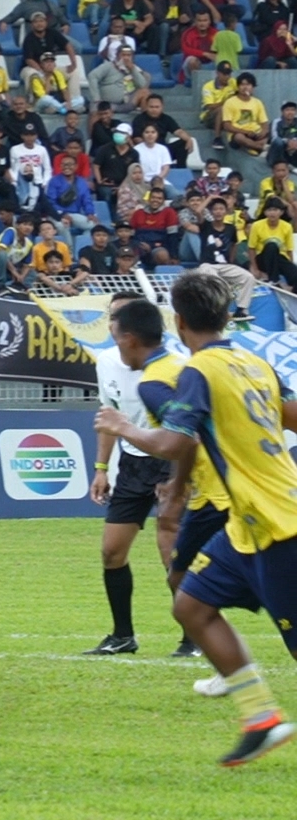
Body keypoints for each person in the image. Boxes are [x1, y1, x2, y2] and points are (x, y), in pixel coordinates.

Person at [93, 271, 297, 766]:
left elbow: (174, 442)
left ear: (178, 322)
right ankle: (261, 717)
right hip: (246, 523)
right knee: (192, 605)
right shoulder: (253, 362)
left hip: (278, 525)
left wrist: (122, 427)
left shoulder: (197, 372)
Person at [85, 293, 212, 658]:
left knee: (170, 552)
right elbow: (108, 416)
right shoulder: (107, 361)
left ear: (131, 333)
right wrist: (101, 468)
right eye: (111, 316)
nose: (111, 324)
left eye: (117, 319)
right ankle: (122, 635)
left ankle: (193, 638)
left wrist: (179, 478)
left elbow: (184, 433)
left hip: (168, 461)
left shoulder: (172, 368)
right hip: (132, 462)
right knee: (111, 551)